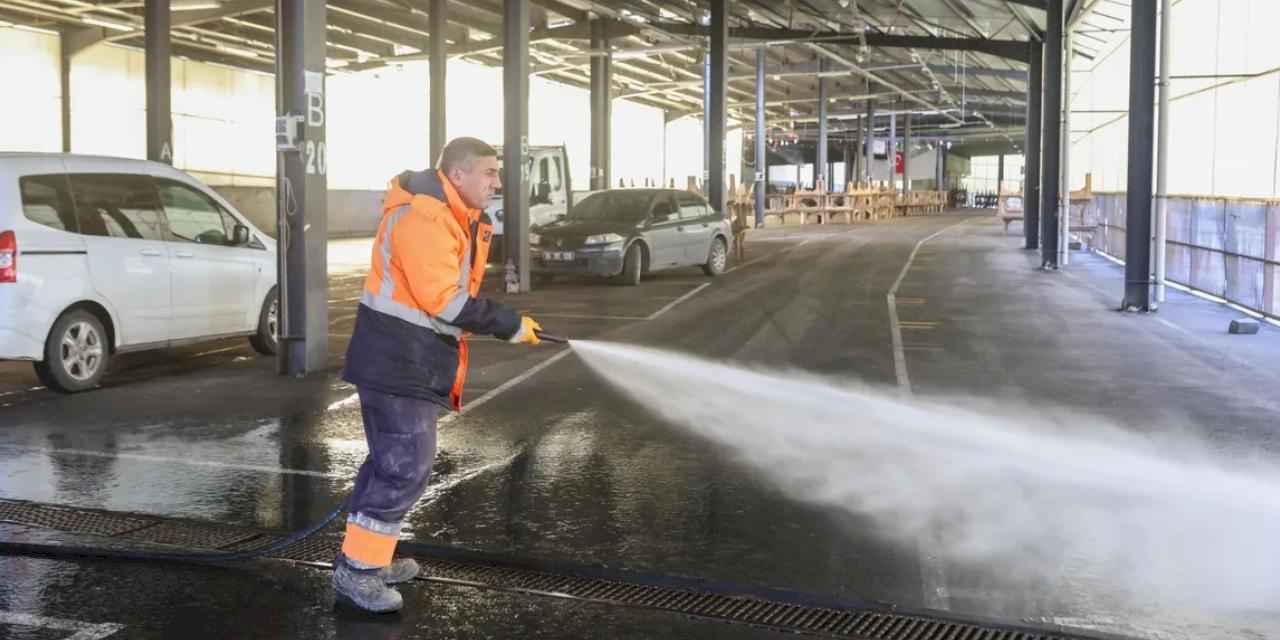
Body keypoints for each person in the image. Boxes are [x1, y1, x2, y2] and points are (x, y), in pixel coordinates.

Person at [334, 137, 543, 613]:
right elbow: (444, 301)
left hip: (405, 358)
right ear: (459, 174)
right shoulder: (425, 217)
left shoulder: (452, 215)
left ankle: (366, 558)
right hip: (396, 361)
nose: (496, 182)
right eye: (489, 173)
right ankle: (359, 575)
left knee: (390, 465)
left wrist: (505, 325)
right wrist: (507, 324)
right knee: (406, 466)